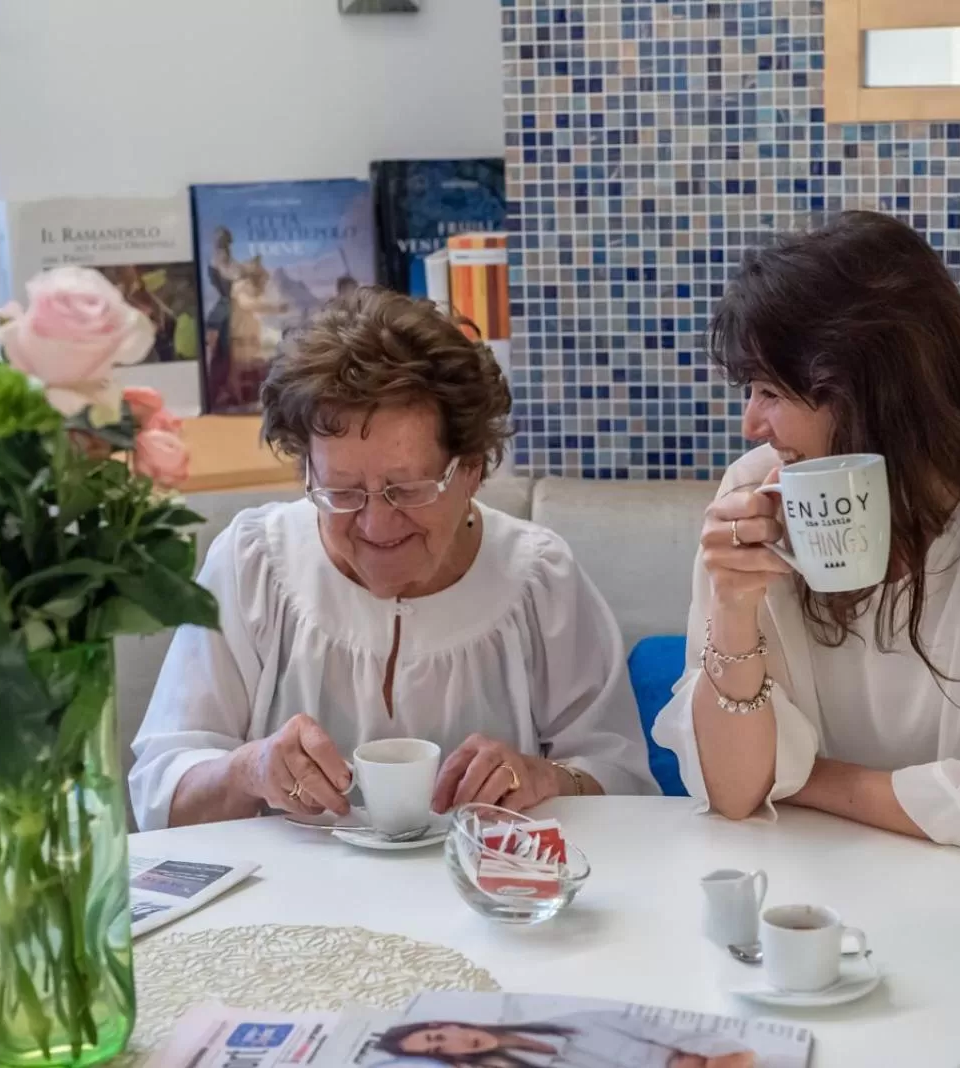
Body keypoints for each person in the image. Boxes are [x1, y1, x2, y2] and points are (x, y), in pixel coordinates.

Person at [652, 211, 960, 1067]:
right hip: (830, 910)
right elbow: (736, 792)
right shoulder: (759, 493)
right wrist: (732, 612)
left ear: (870, 385)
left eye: (771, 390)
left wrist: (798, 777)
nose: (749, 424)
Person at [130, 286, 655, 831]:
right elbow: (159, 796)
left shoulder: (537, 579)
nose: (376, 526)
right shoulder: (252, 564)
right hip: (285, 910)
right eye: (343, 491)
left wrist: (548, 778)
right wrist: (248, 771)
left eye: (408, 490)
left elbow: (624, 781)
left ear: (472, 468)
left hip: (486, 903)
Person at [376, 1017, 757, 1068]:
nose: (452, 1045)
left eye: (439, 1036)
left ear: (448, 1023)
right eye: (438, 1051)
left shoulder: (572, 1022)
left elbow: (669, 1031)